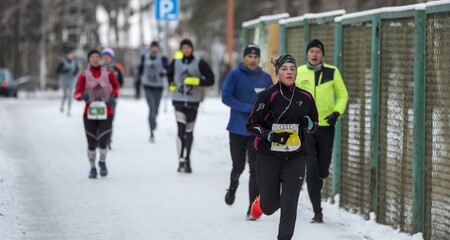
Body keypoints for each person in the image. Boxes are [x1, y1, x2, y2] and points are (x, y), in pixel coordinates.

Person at [246, 55, 318, 240]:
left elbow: (314, 124)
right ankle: (262, 201)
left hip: (296, 156)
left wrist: (310, 124)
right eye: (284, 69)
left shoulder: (306, 97)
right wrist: (267, 134)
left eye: (292, 69)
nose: (289, 72)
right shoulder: (267, 95)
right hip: (269, 155)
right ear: (277, 72)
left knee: (289, 204)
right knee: (269, 207)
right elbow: (251, 124)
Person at [294, 39, 349, 223]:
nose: (314, 54)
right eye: (311, 51)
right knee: (312, 167)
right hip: (307, 127)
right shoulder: (299, 71)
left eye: (318, 51)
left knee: (322, 170)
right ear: (307, 54)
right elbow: (290, 94)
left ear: (322, 54)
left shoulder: (332, 72)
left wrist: (337, 113)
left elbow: (343, 95)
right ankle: (317, 212)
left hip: (327, 126)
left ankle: (318, 178)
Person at [221, 44, 273, 220]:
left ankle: (252, 207)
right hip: (237, 129)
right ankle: (233, 186)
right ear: (244, 58)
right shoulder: (234, 75)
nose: (252, 60)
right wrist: (249, 108)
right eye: (249, 56)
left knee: (255, 169)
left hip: (256, 131)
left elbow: (271, 100)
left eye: (255, 57)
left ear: (259, 59)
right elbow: (226, 97)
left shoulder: (265, 79)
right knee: (238, 166)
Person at [167, 38, 215, 173]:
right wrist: (171, 83)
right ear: (181, 50)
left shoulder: (199, 63)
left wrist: (197, 81)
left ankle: (188, 158)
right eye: (184, 48)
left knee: (189, 132)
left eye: (188, 47)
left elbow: (211, 79)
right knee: (180, 130)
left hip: (193, 102)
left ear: (192, 49)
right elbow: (169, 74)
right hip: (178, 101)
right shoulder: (175, 63)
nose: (186, 50)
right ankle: (181, 159)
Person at [74, 49, 120, 179]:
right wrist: (82, 96)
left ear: (100, 59)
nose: (95, 59)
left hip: (106, 111)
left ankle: (102, 161)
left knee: (103, 140)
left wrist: (113, 96)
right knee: (91, 142)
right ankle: (93, 168)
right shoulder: (84, 75)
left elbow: (116, 87)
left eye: (97, 57)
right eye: (92, 57)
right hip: (90, 113)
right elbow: (77, 92)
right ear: (89, 60)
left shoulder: (108, 73)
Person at [137, 41, 169, 142]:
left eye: (156, 47)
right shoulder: (144, 58)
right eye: (152, 47)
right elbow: (140, 70)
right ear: (150, 48)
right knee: (152, 109)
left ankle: (153, 122)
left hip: (158, 87)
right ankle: (151, 133)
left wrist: (164, 73)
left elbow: (168, 70)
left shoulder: (163, 59)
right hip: (148, 87)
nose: (154, 49)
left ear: (158, 48)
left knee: (156, 110)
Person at [101, 47, 124, 149]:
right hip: (98, 98)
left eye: (108, 56)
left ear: (111, 57)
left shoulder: (116, 68)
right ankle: (100, 139)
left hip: (112, 98)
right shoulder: (98, 67)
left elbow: (120, 82)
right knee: (100, 119)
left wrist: (114, 89)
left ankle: (108, 140)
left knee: (109, 120)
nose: (106, 58)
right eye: (104, 56)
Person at [56, 48, 79, 116]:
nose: (70, 56)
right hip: (64, 81)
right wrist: (65, 70)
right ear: (66, 55)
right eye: (69, 54)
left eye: (71, 54)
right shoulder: (62, 62)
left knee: (70, 95)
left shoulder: (74, 62)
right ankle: (62, 106)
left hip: (71, 81)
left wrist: (74, 72)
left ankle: (69, 110)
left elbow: (77, 70)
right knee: (65, 95)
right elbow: (57, 71)